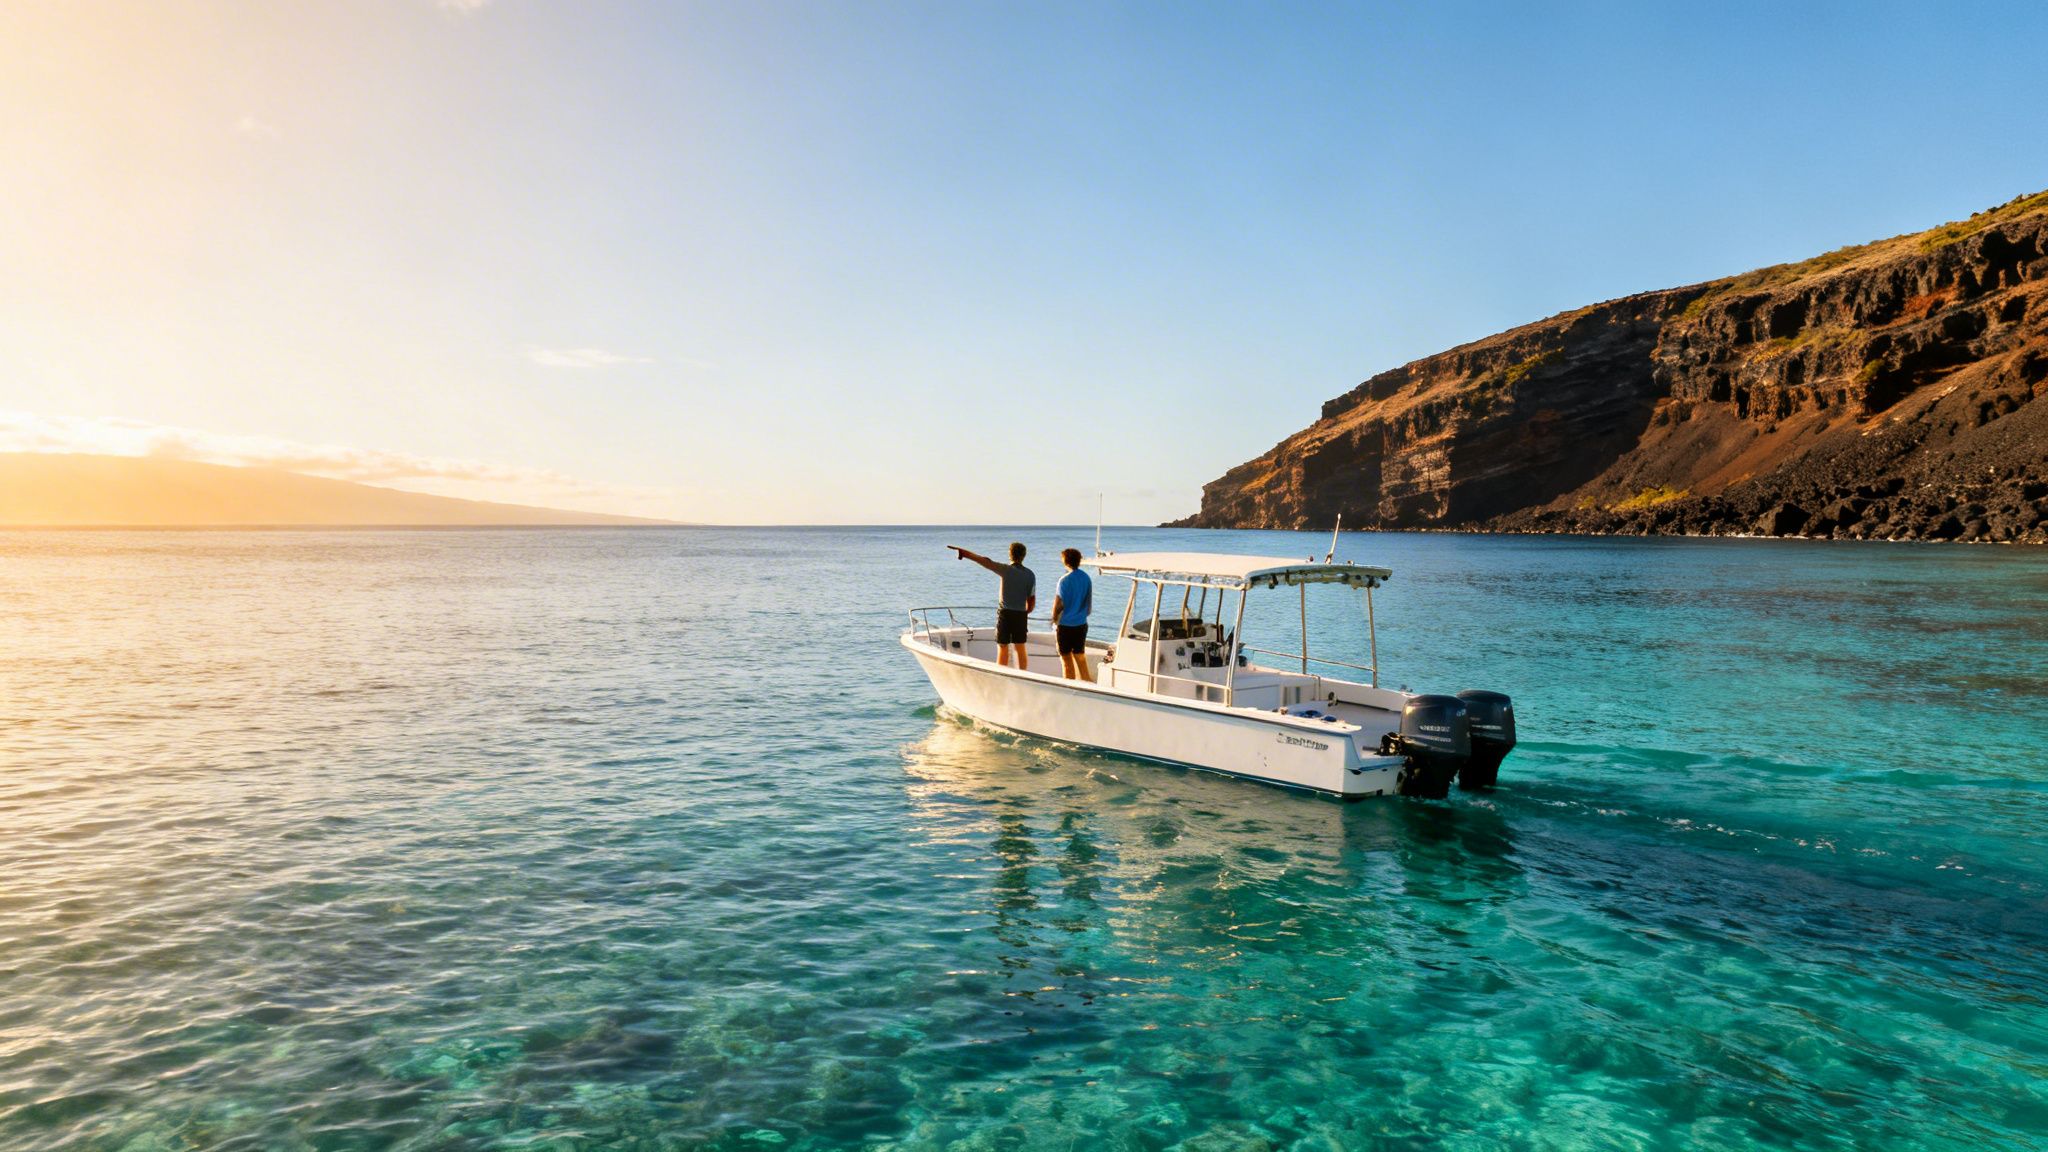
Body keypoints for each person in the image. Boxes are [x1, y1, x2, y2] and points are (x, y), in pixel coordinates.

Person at [951, 542, 1035, 670]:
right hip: (1020, 614)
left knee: (1002, 645)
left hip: (1006, 614)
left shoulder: (1006, 570)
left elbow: (986, 562)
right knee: (1020, 646)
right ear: (1024, 555)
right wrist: (1026, 611)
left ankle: (1002, 673)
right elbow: (1031, 598)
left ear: (1010, 554)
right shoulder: (1030, 574)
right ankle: (1023, 673)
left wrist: (965, 553)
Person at [1051, 547, 1093, 682]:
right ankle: (1087, 685)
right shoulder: (1086, 578)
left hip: (1065, 625)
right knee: (1080, 658)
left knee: (1066, 659)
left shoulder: (1064, 580)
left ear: (1065, 561)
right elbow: (1089, 604)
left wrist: (1053, 619)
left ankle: (1069, 687)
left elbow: (1058, 605)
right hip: (1081, 624)